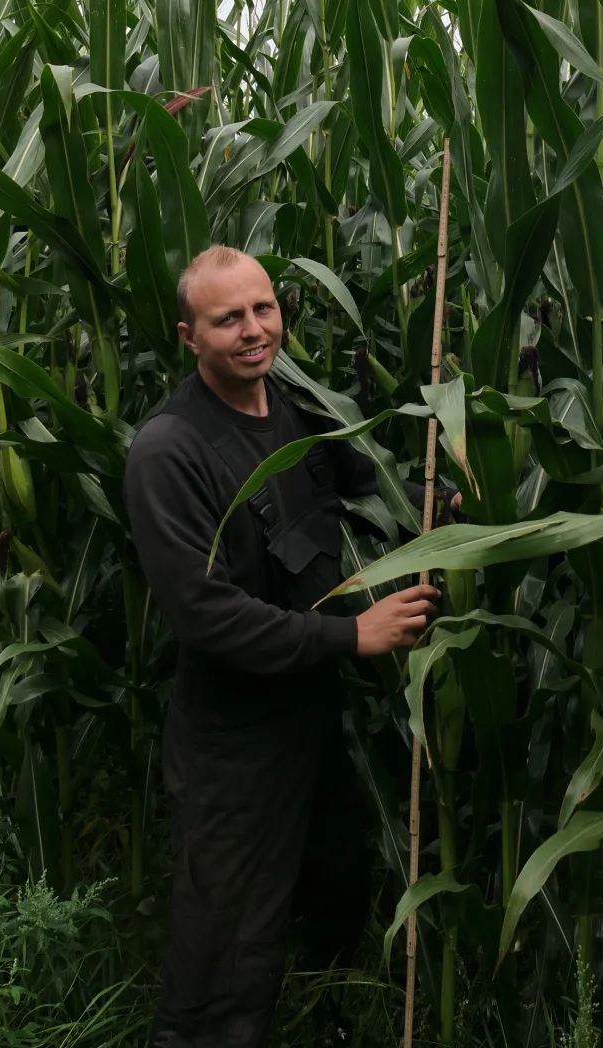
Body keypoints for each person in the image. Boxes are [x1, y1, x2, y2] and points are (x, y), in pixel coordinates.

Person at [124, 244, 446, 1048]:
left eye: (264, 309)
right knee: (222, 965)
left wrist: (460, 491)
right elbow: (207, 616)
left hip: (313, 717)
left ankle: (325, 1021)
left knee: (331, 898)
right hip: (234, 744)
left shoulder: (298, 404)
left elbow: (371, 489)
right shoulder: (170, 450)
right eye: (227, 318)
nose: (253, 330)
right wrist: (353, 633)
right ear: (187, 336)